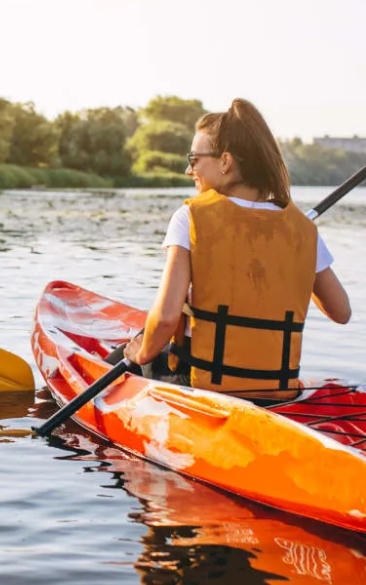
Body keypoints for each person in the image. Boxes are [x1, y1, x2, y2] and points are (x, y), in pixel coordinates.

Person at [121, 99, 351, 402]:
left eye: (194, 158)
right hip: (275, 390)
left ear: (225, 161)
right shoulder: (301, 229)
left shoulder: (190, 217)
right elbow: (341, 311)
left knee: (133, 349)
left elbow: (165, 319)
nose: (189, 169)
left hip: (202, 386)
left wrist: (143, 354)